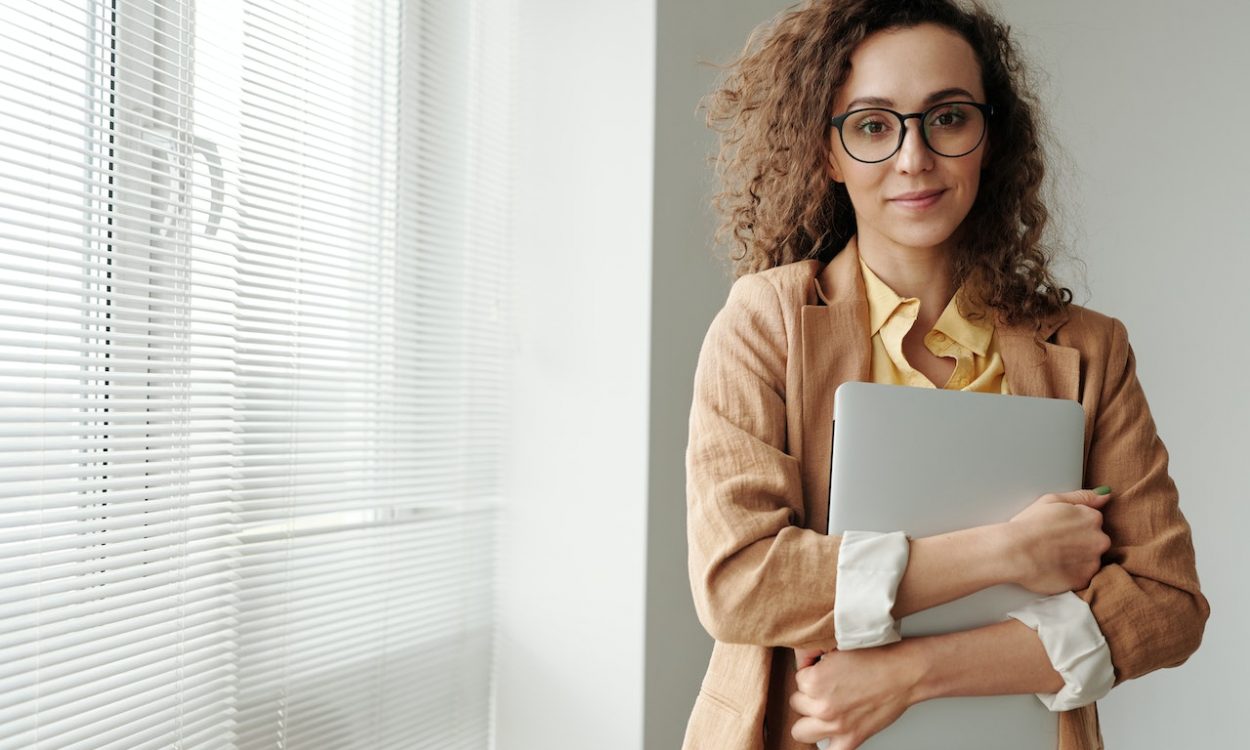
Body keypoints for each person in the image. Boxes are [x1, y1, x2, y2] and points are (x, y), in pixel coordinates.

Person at [683, 1, 1209, 749]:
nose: (913, 158)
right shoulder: (765, 322)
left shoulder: (1092, 351)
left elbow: (1166, 602)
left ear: (989, 136)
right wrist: (1011, 551)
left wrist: (913, 672)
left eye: (948, 118)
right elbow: (741, 581)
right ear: (827, 154)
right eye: (872, 125)